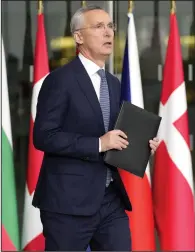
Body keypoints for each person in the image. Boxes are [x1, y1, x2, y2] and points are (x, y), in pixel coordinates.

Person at [32, 5, 159, 251]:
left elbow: (112, 133)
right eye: (99, 26)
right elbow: (44, 137)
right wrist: (99, 143)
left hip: (110, 199)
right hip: (67, 204)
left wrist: (140, 145)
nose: (108, 32)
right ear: (78, 37)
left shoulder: (112, 83)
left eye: (110, 26)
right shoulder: (59, 80)